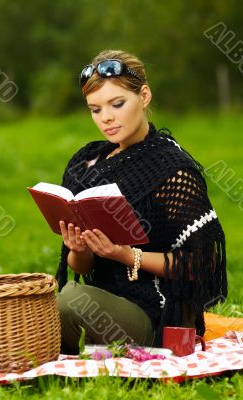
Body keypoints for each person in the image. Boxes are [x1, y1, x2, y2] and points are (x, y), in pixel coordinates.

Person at [56, 49, 227, 354]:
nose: (106, 117)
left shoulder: (171, 169)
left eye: (117, 104)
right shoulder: (87, 163)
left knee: (66, 303)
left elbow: (202, 264)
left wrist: (126, 255)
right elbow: (79, 265)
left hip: (154, 317)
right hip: (100, 299)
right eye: (95, 110)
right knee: (35, 303)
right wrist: (79, 249)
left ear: (144, 96)